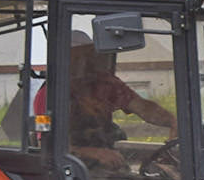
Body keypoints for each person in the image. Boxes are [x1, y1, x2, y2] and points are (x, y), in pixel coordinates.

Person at [39, 30, 175, 172]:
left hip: (107, 166)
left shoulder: (105, 85)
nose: (86, 61)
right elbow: (46, 146)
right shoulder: (48, 95)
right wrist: (94, 153)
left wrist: (172, 121)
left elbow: (143, 107)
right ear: (63, 58)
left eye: (88, 54)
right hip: (71, 171)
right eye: (78, 56)